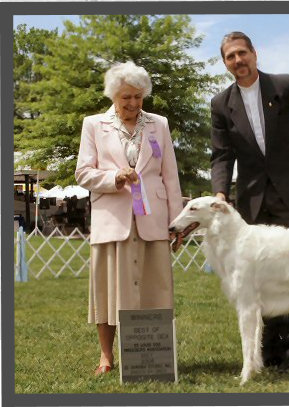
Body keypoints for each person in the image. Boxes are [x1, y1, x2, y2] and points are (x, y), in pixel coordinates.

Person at [210, 32, 289, 373]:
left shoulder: (286, 86)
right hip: (252, 203)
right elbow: (221, 155)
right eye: (230, 56)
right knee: (262, 279)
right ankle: (270, 353)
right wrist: (220, 193)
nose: (238, 60)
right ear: (225, 63)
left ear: (254, 53)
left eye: (242, 53)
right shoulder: (220, 104)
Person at [75, 61, 183, 375]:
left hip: (154, 219)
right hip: (112, 219)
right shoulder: (93, 125)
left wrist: (177, 223)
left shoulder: (159, 124)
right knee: (107, 291)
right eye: (126, 97)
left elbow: (170, 177)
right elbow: (83, 173)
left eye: (138, 96)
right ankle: (106, 357)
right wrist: (114, 178)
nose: (133, 103)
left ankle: (155, 357)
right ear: (113, 96)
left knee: (156, 290)